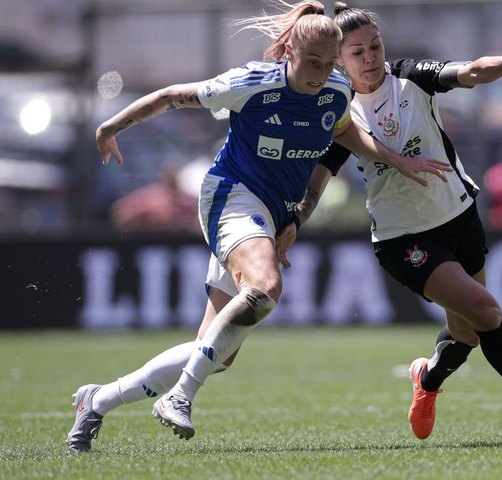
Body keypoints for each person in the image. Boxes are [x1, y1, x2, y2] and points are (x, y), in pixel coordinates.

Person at [66, 0, 452, 453]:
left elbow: (343, 130)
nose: (320, 73)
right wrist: (111, 126)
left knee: (217, 353)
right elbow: (171, 96)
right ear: (289, 51)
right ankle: (179, 397)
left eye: (329, 64)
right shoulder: (251, 83)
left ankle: (97, 399)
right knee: (266, 286)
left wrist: (393, 158)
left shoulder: (334, 89)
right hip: (231, 196)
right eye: (312, 62)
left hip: (267, 213)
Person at [268, 2, 502, 443]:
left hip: (459, 216)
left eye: (375, 46)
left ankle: (427, 379)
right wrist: (295, 221)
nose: (370, 57)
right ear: (339, 62)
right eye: (357, 52)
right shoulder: (338, 110)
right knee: (486, 312)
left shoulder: (409, 77)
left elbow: (469, 73)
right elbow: (316, 184)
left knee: (467, 335)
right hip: (403, 238)